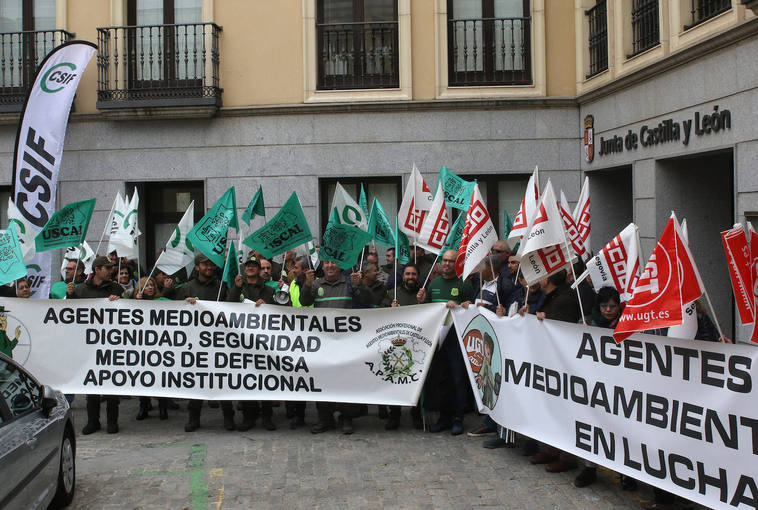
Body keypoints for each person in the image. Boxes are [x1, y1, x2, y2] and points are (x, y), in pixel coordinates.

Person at [164, 253, 233, 432]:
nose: (208, 267)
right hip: (194, 344)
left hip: (219, 342)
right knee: (197, 381)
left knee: (222, 381)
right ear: (197, 267)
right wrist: (171, 293)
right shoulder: (186, 288)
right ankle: (193, 418)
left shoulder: (221, 287)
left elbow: (233, 309)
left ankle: (229, 417)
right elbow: (166, 307)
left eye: (211, 264)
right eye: (204, 265)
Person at [523, 269, 582, 472]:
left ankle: (567, 457)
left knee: (564, 410)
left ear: (547, 279)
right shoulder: (553, 296)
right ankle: (551, 448)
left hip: (563, 365)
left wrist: (545, 320)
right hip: (550, 362)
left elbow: (562, 330)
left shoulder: (564, 299)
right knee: (550, 407)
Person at [299, 259, 361, 434]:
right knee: (323, 380)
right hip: (323, 344)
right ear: (322, 266)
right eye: (326, 263)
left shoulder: (349, 283)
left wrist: (359, 286)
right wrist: (307, 284)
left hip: (345, 342)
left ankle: (346, 417)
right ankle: (325, 418)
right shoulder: (316, 283)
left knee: (345, 381)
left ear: (340, 265)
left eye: (333, 263)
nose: (330, 266)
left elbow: (365, 299)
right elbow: (304, 302)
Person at [417, 249, 473, 436]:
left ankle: (458, 418)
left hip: (457, 343)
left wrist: (461, 306)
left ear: (457, 263)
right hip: (438, 342)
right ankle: (444, 417)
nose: (447, 264)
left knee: (457, 380)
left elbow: (471, 311)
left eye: (451, 261)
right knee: (440, 381)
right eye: (445, 261)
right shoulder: (434, 284)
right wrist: (422, 302)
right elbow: (429, 312)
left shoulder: (464, 284)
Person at [67, 256, 123, 435]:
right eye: (107, 268)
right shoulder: (81, 290)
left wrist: (120, 300)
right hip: (90, 344)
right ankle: (93, 421)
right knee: (92, 385)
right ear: (97, 269)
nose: (110, 270)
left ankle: (112, 422)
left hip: (112, 343)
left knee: (112, 385)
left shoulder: (116, 288)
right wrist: (70, 296)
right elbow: (70, 314)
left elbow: (129, 308)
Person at [228, 254, 277, 431]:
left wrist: (267, 306)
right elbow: (227, 307)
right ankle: (249, 416)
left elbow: (279, 313)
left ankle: (267, 416)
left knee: (266, 379)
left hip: (264, 343)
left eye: (253, 266)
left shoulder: (270, 291)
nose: (250, 268)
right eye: (247, 265)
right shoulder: (238, 288)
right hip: (242, 343)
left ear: (258, 269)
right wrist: (235, 288)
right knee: (247, 379)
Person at [388, 263, 424, 430]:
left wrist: (423, 303)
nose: (411, 277)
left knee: (417, 381)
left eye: (414, 274)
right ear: (403, 276)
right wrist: (389, 309)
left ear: (418, 276)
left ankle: (416, 414)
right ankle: (394, 414)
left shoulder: (423, 294)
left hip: (417, 348)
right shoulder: (392, 294)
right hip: (397, 347)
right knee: (394, 380)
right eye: (408, 274)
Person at [133, 276, 171, 421]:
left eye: (152, 285)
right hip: (142, 347)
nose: (150, 288)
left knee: (160, 377)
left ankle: (162, 407)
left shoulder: (162, 302)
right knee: (143, 378)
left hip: (159, 346)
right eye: (146, 285)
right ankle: (144, 406)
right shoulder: (134, 303)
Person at [285, 256, 312, 429]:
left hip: (314, 336)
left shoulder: (315, 285)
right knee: (296, 377)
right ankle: (296, 413)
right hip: (295, 337)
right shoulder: (292, 285)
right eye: (294, 267)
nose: (294, 270)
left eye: (297, 268)